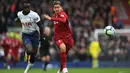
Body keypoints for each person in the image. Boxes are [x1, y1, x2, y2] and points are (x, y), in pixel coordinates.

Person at [44, 1, 74, 73]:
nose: (56, 9)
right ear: (53, 8)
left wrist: (51, 19)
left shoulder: (63, 14)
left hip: (68, 38)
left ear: (61, 8)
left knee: (63, 56)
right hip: (58, 38)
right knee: (63, 48)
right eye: (55, 7)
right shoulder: (54, 16)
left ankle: (60, 70)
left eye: (58, 7)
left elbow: (63, 21)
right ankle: (65, 69)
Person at [16, 2, 43, 73]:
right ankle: (27, 53)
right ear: (23, 9)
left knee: (34, 54)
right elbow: (18, 20)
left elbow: (41, 26)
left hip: (35, 34)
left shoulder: (34, 15)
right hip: (26, 34)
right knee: (29, 49)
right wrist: (17, 21)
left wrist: (42, 36)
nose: (28, 9)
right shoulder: (19, 14)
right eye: (26, 8)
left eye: (28, 7)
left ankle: (27, 70)